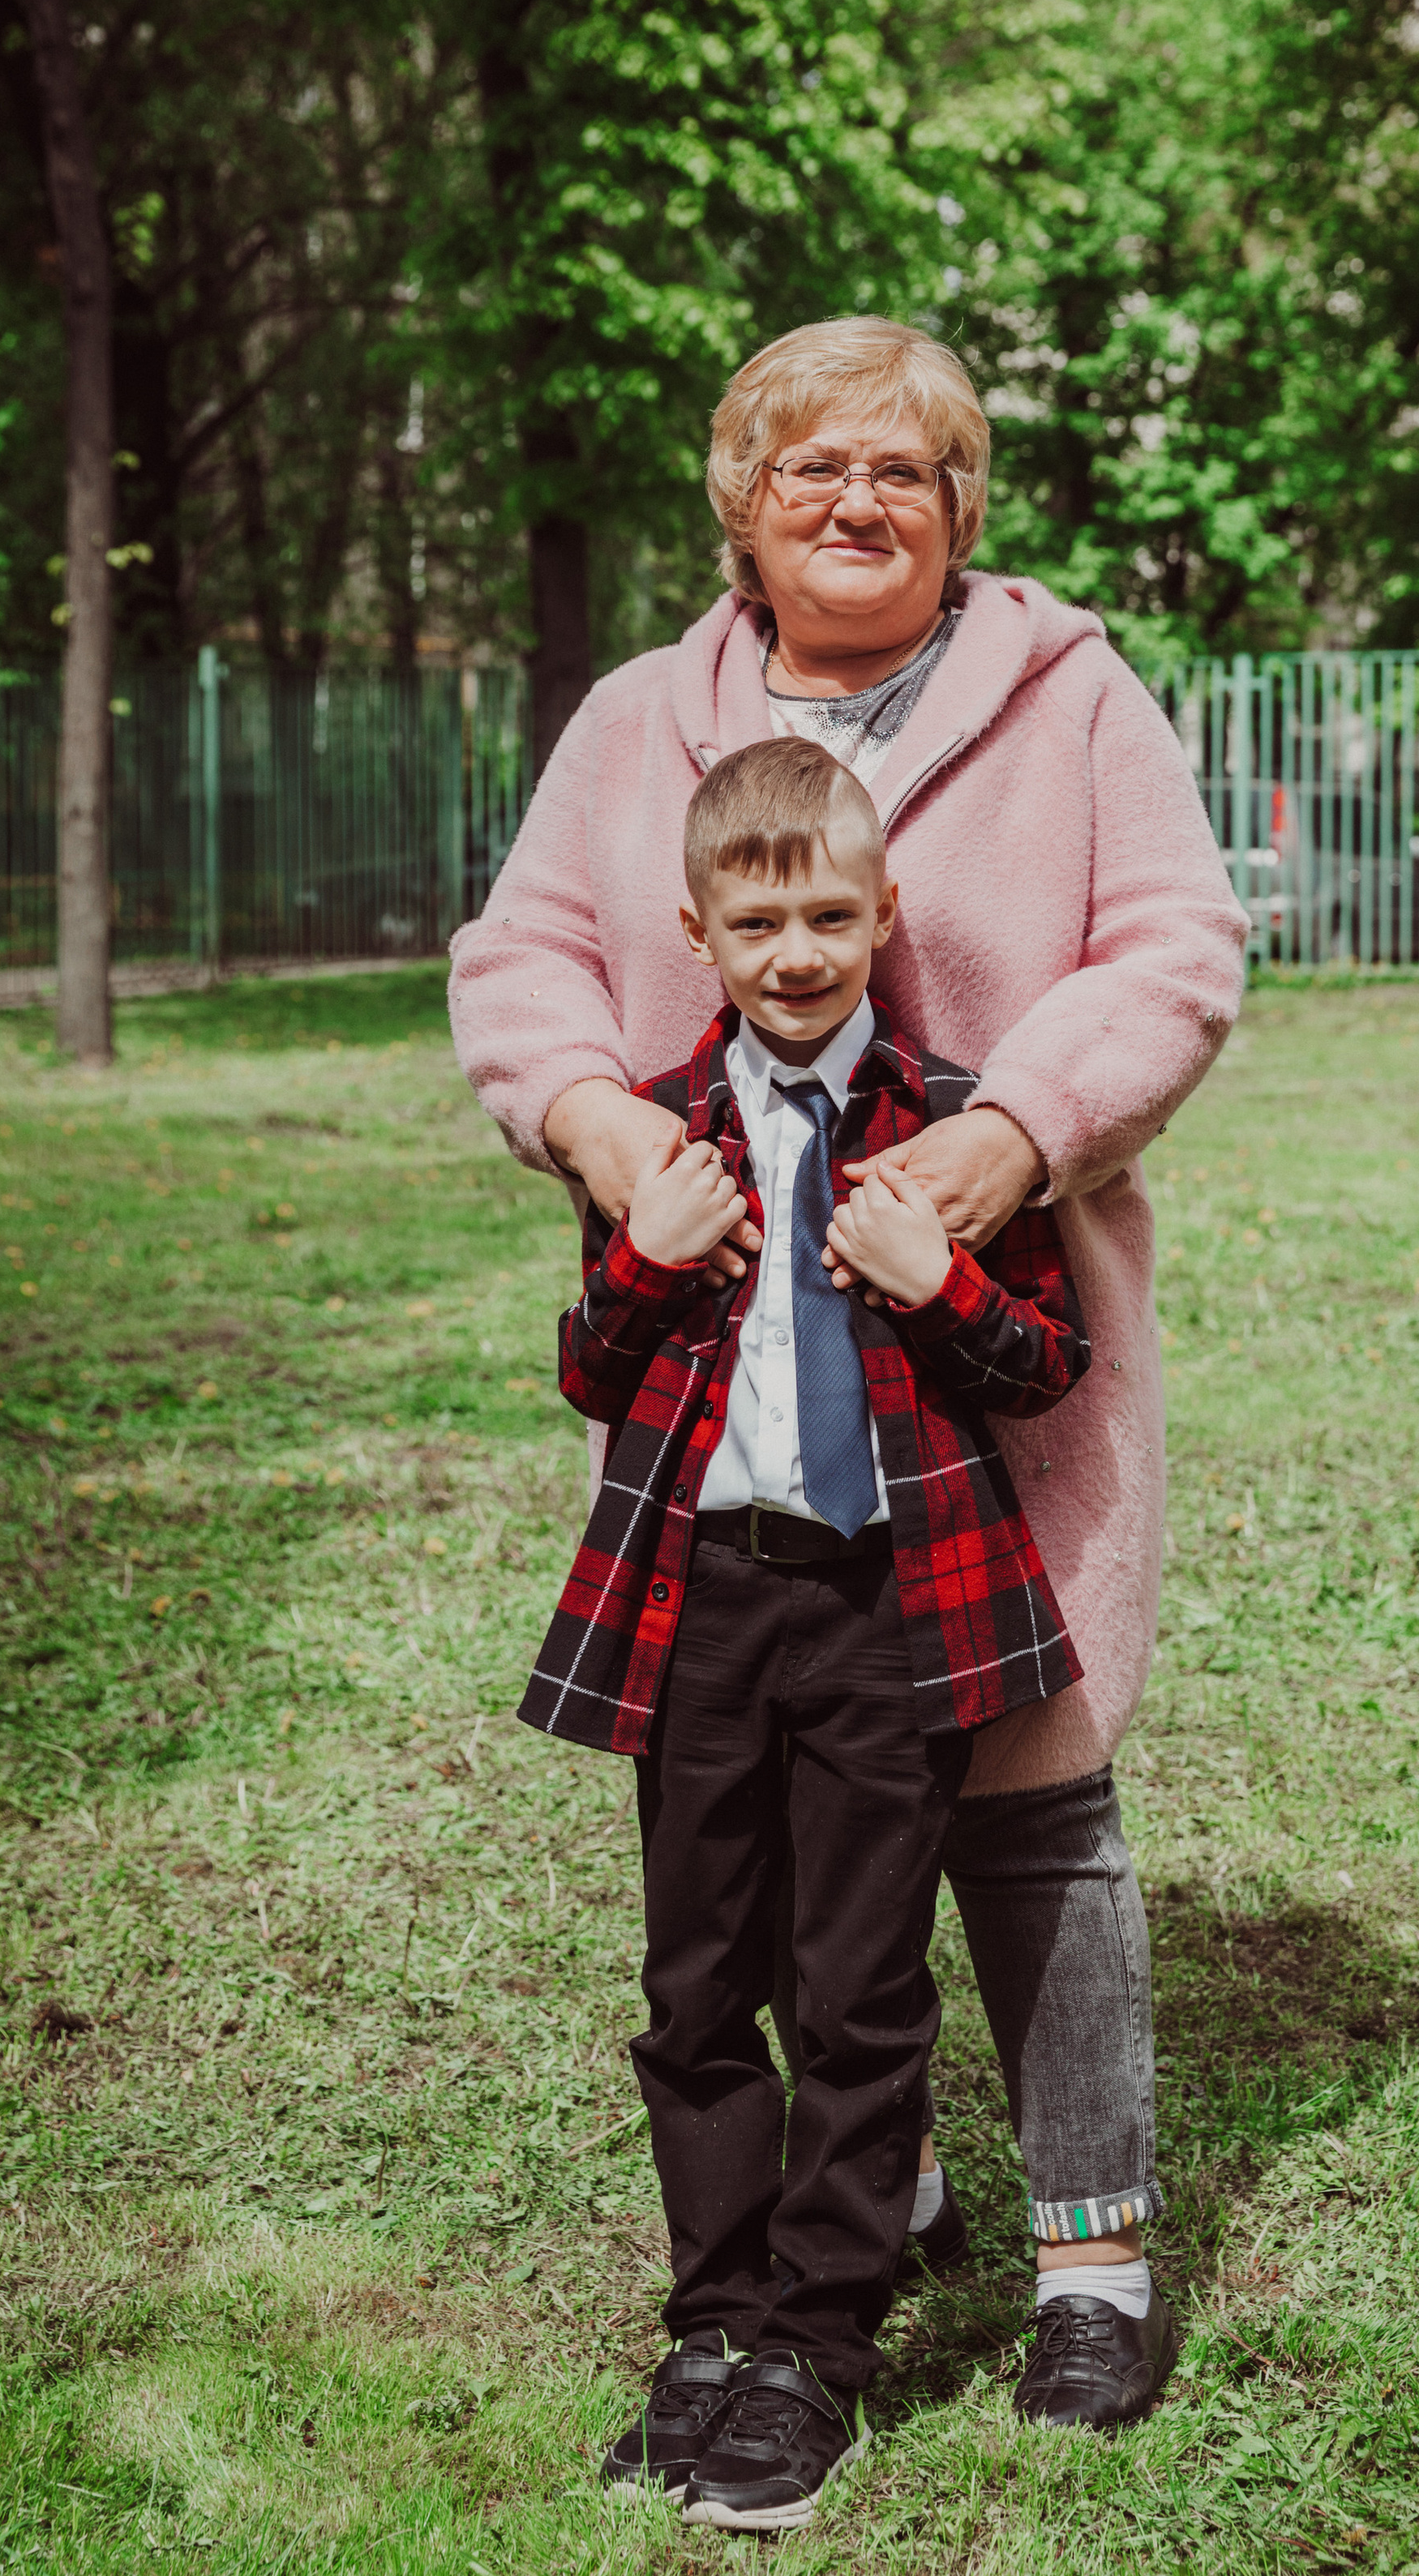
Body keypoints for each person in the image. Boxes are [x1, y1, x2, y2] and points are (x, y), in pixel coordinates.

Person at [450, 316, 1248, 2433]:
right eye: (810, 471)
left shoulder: (1067, 699)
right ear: (741, 506)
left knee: (1036, 1793)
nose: (856, 502)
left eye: (901, 470)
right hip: (731, 1372)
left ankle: (1093, 2265)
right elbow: (520, 960)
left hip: (993, 1344)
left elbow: (1178, 949)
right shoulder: (642, 722)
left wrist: (1011, 1137)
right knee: (781, 1831)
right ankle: (860, 2204)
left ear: (962, 506)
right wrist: (611, 1140)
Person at [530, 738, 1089, 2530]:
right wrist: (641, 1251)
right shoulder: (653, 1129)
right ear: (697, 928)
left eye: (828, 916)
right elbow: (590, 1376)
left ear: (882, 916)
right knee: (697, 1986)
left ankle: (814, 2355)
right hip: (702, 1609)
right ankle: (710, 2327)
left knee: (855, 1988)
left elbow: (1042, 1367)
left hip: (883, 1610)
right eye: (755, 919)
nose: (793, 952)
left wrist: (946, 1288)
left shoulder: (958, 1122)